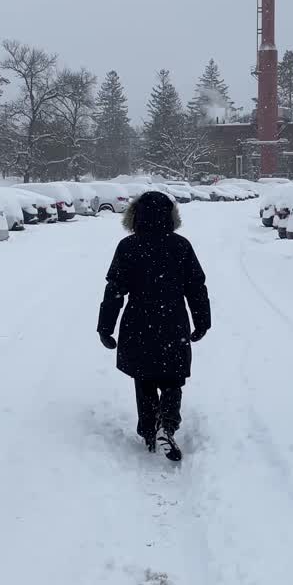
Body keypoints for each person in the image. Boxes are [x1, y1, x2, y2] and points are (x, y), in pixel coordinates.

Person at [97, 191, 211, 461]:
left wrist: (105, 327)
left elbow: (114, 290)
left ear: (134, 217)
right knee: (172, 379)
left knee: (144, 378)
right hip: (172, 321)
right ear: (171, 217)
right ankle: (167, 425)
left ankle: (149, 430)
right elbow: (196, 287)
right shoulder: (181, 245)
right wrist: (202, 321)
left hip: (138, 321)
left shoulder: (128, 247)